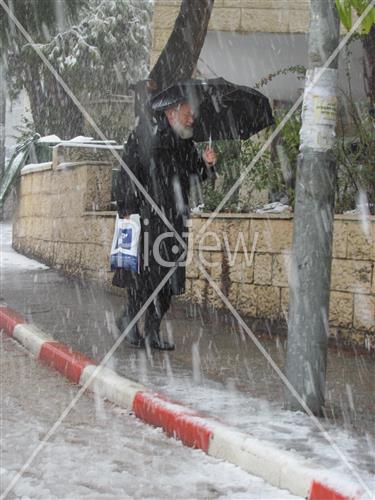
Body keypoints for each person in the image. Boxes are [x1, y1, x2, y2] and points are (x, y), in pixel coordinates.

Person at [113, 99, 217, 350]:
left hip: (176, 218)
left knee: (169, 279)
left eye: (193, 115)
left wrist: (207, 164)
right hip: (148, 217)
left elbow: (195, 175)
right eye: (188, 114)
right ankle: (129, 318)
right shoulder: (144, 134)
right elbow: (126, 172)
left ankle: (152, 331)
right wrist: (126, 208)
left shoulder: (185, 142)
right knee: (145, 277)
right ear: (172, 112)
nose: (192, 119)